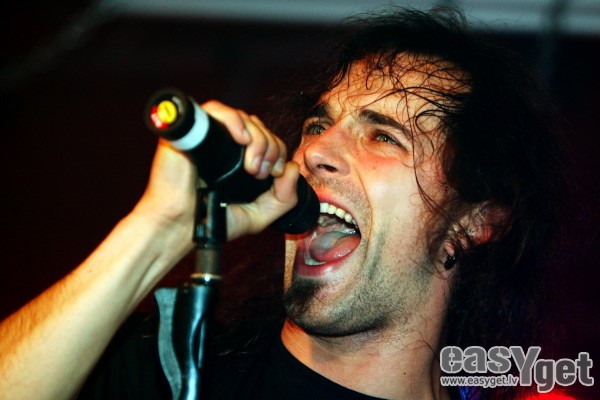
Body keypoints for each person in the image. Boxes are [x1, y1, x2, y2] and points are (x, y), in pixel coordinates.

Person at [0, 7, 567, 400]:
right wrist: (160, 228)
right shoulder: (171, 370)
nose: (314, 149)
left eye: (383, 137)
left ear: (473, 222)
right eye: (318, 124)